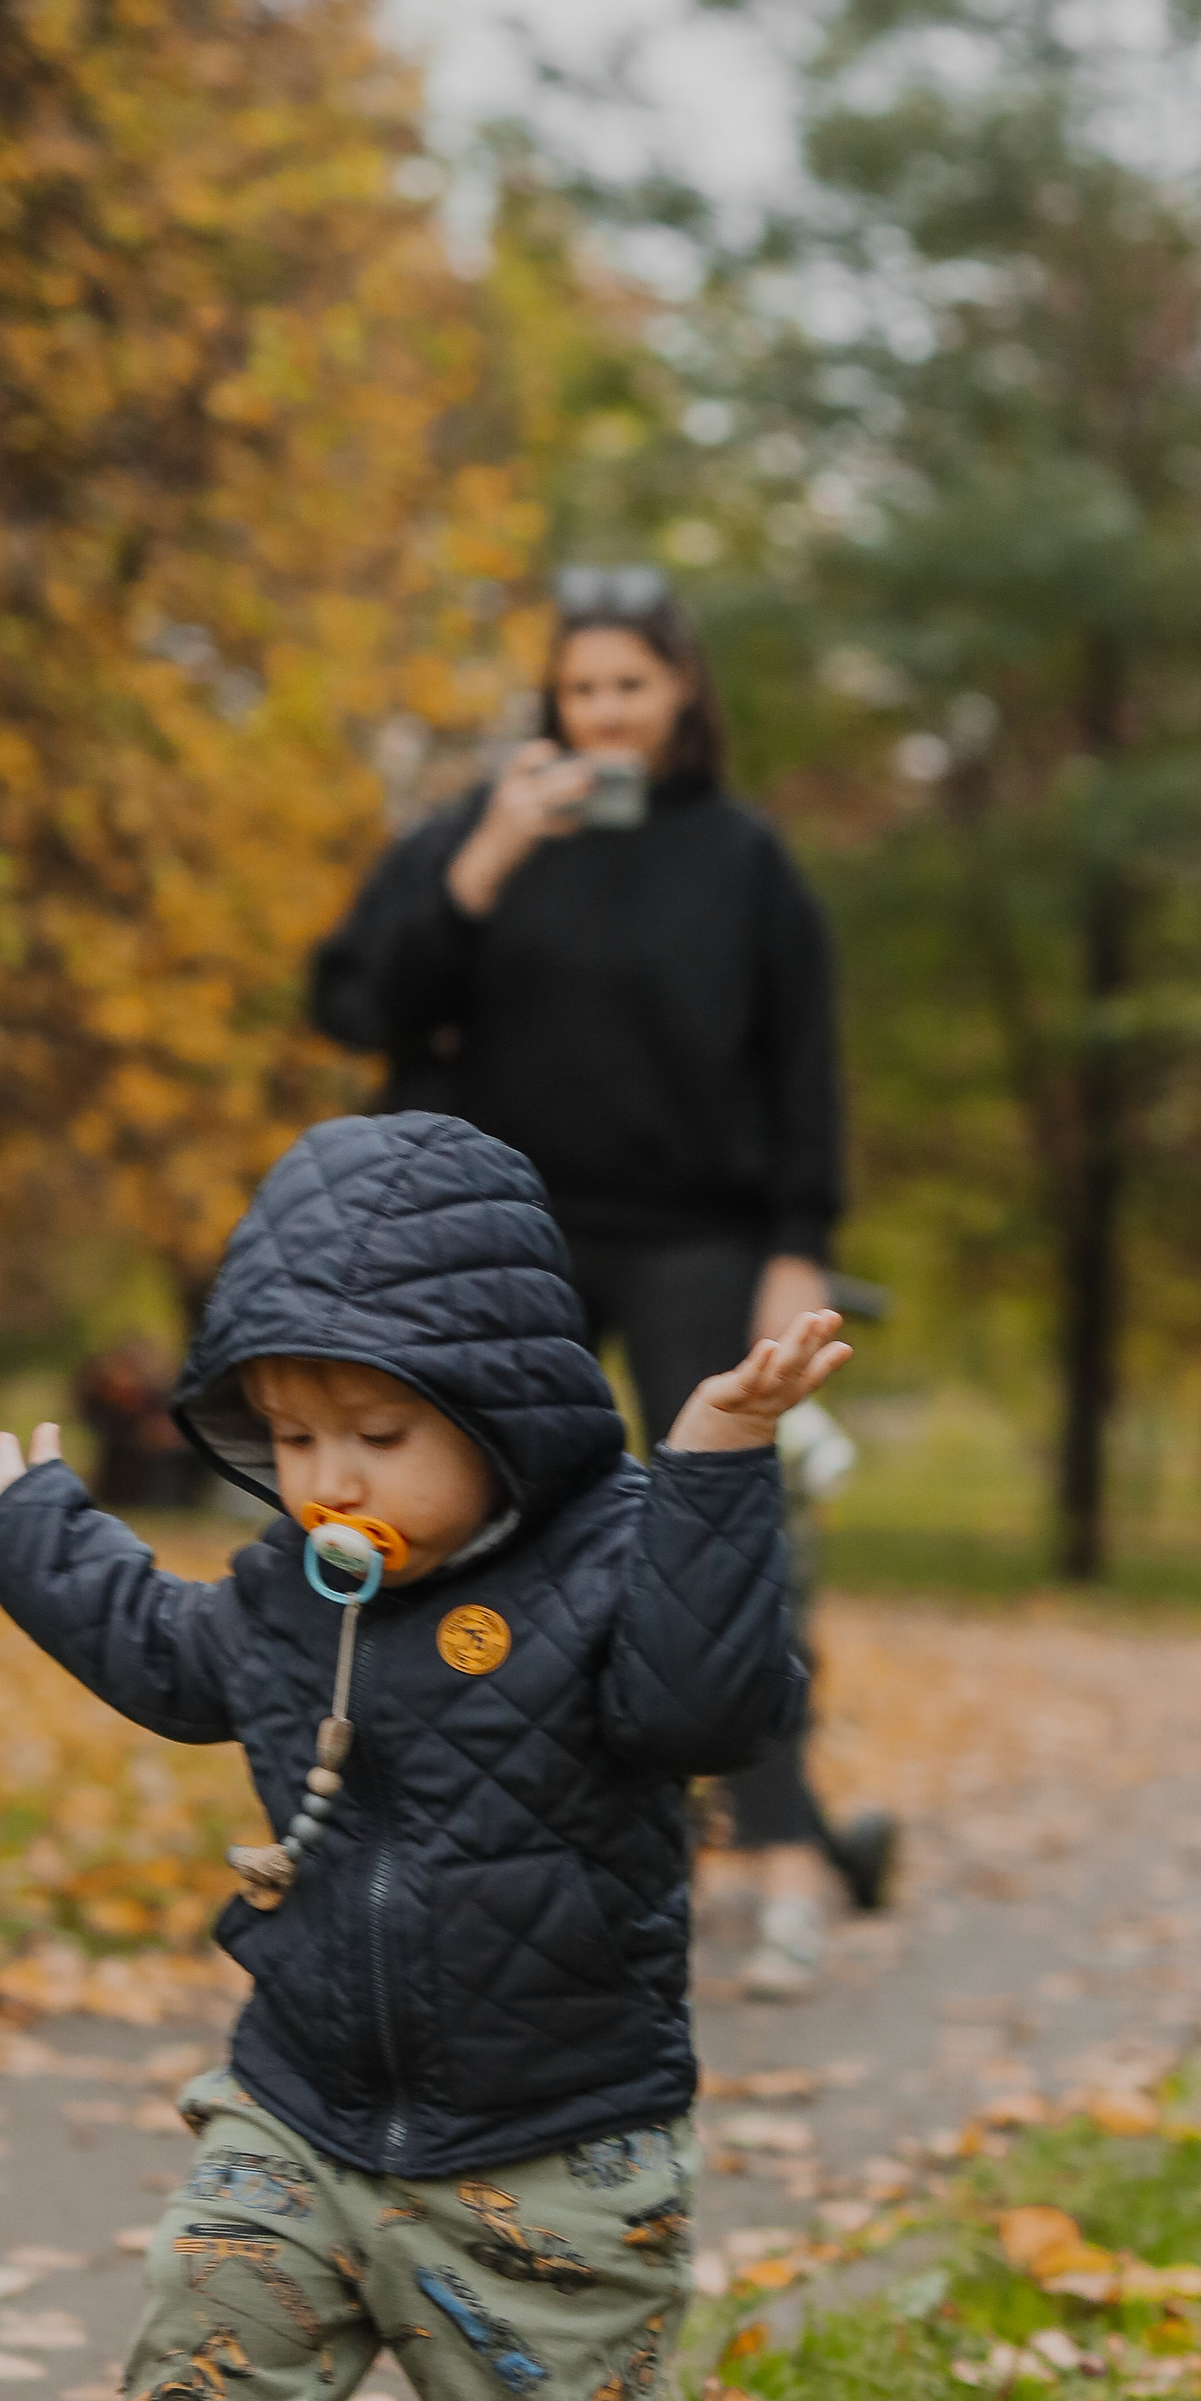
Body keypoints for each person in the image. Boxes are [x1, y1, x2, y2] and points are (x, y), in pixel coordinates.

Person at [0, 1108, 842, 2401]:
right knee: (214, 2316)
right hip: (310, 2090)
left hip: (559, 2127)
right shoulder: (289, 1589)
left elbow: (713, 1704)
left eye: (377, 1434)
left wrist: (714, 1470)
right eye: (290, 1436)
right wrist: (29, 1537)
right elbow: (168, 1657)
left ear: (504, 1415)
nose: (328, 1479)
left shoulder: (615, 1556)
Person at [309, 565, 891, 1994]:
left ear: (681, 692)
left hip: (701, 1233)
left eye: (632, 685)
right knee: (497, 1532)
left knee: (724, 1542)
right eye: (583, 689)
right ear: (553, 702)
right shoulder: (487, 832)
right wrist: (485, 861)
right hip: (514, 1232)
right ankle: (497, 1858)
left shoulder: (747, 863)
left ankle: (790, 1863)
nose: (609, 712)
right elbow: (361, 1003)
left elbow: (801, 1073)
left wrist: (793, 1253)